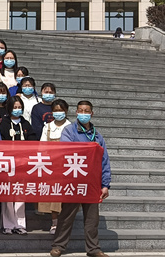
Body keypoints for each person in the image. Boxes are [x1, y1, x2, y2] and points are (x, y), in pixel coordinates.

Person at [50, 101, 111, 257]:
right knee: (66, 215)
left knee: (92, 219)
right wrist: (89, 149)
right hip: (74, 180)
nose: (84, 113)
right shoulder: (69, 131)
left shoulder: (97, 135)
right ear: (76, 112)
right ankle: (58, 246)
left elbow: (104, 160)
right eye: (81, 110)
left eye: (87, 111)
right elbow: (66, 151)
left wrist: (105, 184)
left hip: (92, 183)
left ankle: (93, 248)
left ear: (92, 113)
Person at [0, 96, 35, 235]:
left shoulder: (26, 124)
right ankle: (8, 224)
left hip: (22, 163)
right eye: (15, 107)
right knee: (7, 194)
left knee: (20, 194)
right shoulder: (4, 124)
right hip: (8, 163)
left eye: (20, 107)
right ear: (9, 108)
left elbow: (33, 140)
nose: (17, 110)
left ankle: (20, 224)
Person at [39, 99, 72, 234]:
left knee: (64, 195)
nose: (58, 113)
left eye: (61, 110)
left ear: (66, 111)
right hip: (51, 165)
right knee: (53, 195)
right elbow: (42, 147)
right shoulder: (47, 127)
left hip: (67, 165)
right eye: (56, 110)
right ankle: (54, 223)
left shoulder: (71, 127)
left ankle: (65, 223)